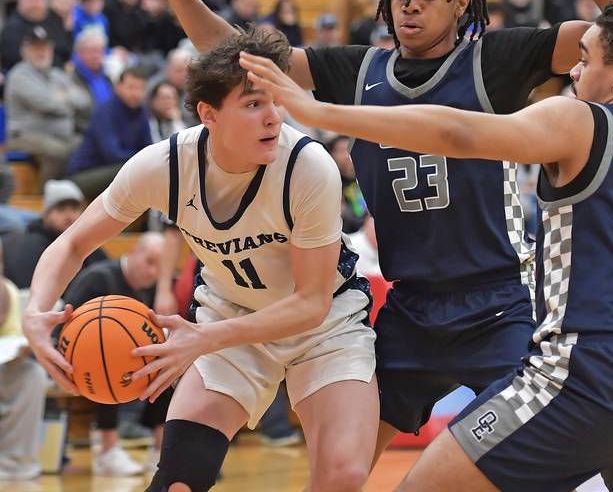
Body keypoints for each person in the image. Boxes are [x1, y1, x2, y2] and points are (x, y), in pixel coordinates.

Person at [147, 0, 613, 464]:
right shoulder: (361, 70)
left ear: (461, 4)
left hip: (504, 303)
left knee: (537, 465)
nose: (409, 8)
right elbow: (240, 61)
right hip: (409, 308)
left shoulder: (498, 59)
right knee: (340, 470)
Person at [243, 0, 613, 492]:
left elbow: (459, 133)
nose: (573, 71)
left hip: (586, 372)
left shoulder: (581, 121)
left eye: (586, 59)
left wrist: (317, 113)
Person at [23, 29, 378, 492]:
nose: (273, 117)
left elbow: (310, 303)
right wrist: (35, 311)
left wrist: (205, 338)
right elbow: (72, 244)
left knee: (344, 478)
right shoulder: (163, 166)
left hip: (325, 325)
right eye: (253, 104)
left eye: (277, 99)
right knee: (179, 481)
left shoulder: (307, 168)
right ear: (209, 114)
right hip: (233, 315)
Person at [60, 233, 167, 476]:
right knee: (107, 365)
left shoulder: (153, 290)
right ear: (134, 252)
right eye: (150, 262)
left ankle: (161, 450)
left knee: (166, 362)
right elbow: (63, 329)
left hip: (125, 359)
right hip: (76, 357)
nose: (153, 273)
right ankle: (108, 451)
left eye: (160, 267)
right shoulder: (99, 278)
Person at [4, 26, 90, 184]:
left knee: (86, 144)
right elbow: (46, 103)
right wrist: (65, 100)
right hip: (24, 135)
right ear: (25, 50)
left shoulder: (56, 74)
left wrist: (60, 99)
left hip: (61, 135)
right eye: (36, 48)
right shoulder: (19, 75)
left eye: (45, 47)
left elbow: (84, 100)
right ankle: (47, 197)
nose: (41, 52)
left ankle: (73, 195)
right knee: (57, 151)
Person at [67, 66, 152, 201]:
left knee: (148, 170)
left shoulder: (142, 112)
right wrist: (141, 159)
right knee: (131, 171)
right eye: (131, 87)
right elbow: (113, 154)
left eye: (140, 89)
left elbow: (148, 148)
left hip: (115, 170)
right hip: (83, 176)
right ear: (118, 88)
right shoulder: (105, 111)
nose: (136, 93)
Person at [3, 180, 107, 290]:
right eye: (61, 209)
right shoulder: (30, 246)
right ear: (46, 215)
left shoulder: (88, 243)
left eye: (74, 208)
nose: (69, 216)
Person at [0, 246, 48, 482]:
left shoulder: (6, 289)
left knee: (32, 374)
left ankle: (14, 463)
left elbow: (12, 338)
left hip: (3, 366)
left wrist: (24, 348)